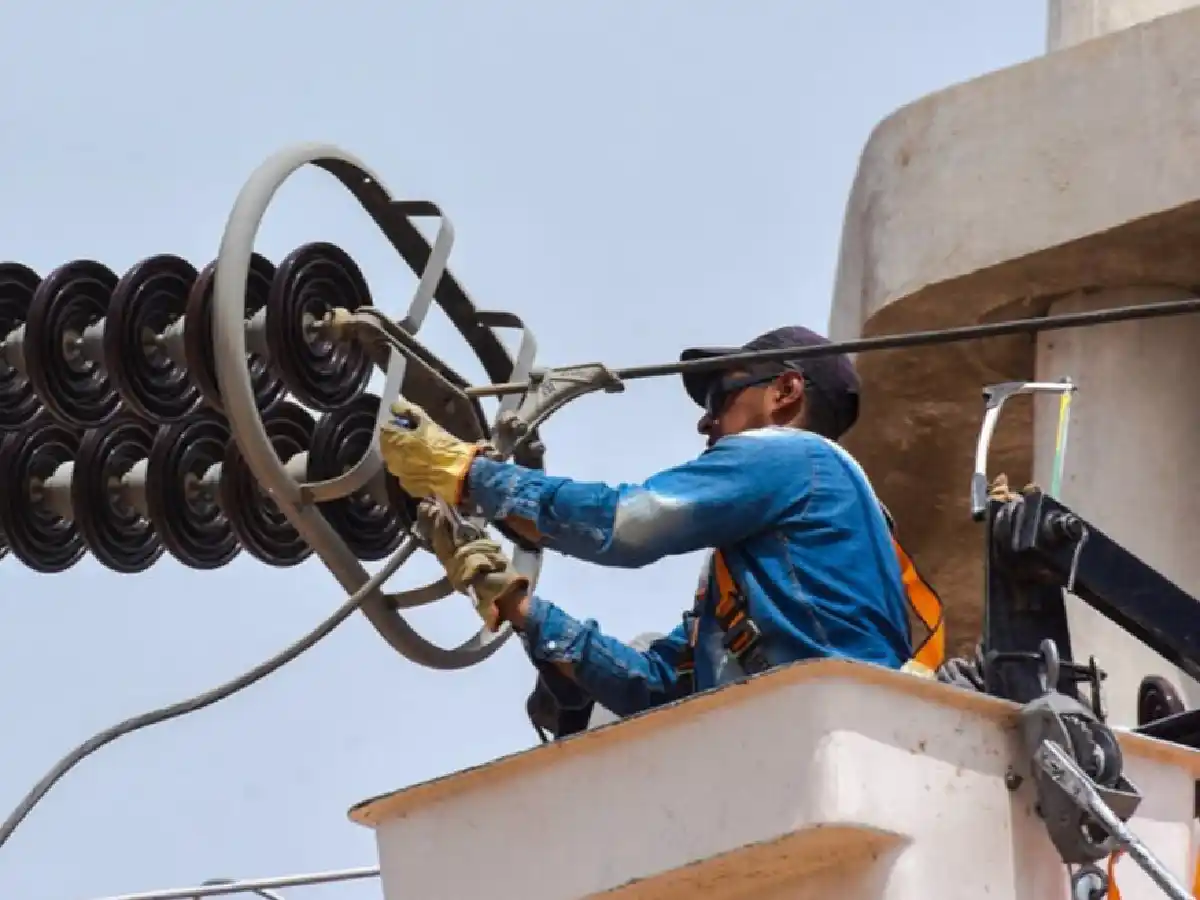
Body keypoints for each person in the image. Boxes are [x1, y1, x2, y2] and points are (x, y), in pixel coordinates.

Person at [379, 326, 944, 719]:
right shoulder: (762, 562)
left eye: (721, 396)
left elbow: (630, 521)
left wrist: (470, 474)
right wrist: (512, 601)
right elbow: (656, 685)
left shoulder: (796, 458)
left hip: (827, 729)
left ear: (785, 392)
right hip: (789, 745)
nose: (705, 422)